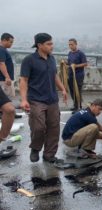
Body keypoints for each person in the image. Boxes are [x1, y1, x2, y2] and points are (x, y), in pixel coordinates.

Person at [20, 33, 68, 163]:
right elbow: (23, 80)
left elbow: (55, 76)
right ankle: (35, 148)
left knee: (54, 128)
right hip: (36, 99)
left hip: (52, 99)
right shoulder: (29, 60)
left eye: (52, 43)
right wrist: (24, 100)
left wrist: (63, 89)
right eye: (49, 44)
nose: (52, 46)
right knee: (38, 127)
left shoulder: (52, 59)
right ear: (39, 45)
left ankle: (49, 155)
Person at [66, 38, 87, 113]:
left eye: (71, 44)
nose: (70, 46)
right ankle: (75, 105)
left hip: (78, 76)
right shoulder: (70, 53)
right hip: (70, 75)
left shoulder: (80, 53)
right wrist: (64, 63)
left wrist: (76, 66)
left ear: (75, 44)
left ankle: (79, 106)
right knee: (72, 91)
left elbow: (85, 63)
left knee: (77, 91)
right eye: (69, 44)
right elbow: (69, 63)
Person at [0, 33, 15, 99]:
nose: (11, 44)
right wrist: (7, 77)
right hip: (4, 80)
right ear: (4, 40)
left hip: (4, 79)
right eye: (10, 42)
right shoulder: (1, 50)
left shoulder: (3, 50)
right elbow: (1, 63)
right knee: (6, 100)